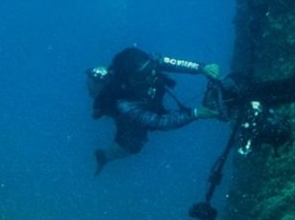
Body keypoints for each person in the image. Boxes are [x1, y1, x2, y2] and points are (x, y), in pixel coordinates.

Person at [87, 46, 223, 176]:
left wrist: (203, 68)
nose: (151, 75)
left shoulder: (149, 63)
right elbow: (159, 122)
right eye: (142, 76)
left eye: (151, 68)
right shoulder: (124, 104)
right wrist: (195, 113)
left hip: (147, 100)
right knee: (133, 144)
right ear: (129, 80)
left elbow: (174, 63)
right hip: (134, 112)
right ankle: (104, 157)